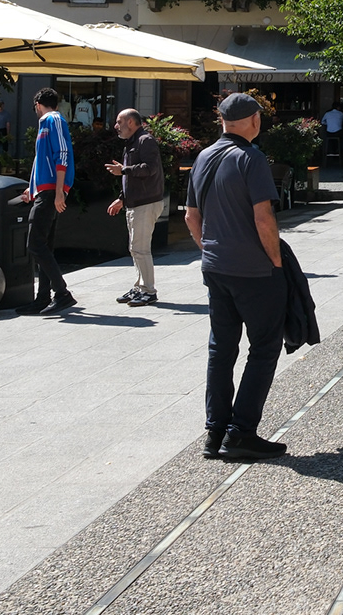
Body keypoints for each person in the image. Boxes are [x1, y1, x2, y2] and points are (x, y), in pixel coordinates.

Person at [185, 92, 290, 462]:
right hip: (253, 269)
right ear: (254, 121)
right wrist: (276, 262)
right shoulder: (251, 158)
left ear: (222, 121)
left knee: (222, 348)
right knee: (264, 346)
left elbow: (190, 216)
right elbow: (264, 217)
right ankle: (241, 432)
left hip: (215, 267)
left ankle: (214, 432)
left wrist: (210, 249)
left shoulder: (203, 157)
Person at [17, 88, 76, 315]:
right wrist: (32, 189)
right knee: (44, 246)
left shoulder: (53, 119)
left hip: (51, 192)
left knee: (35, 244)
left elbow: (62, 154)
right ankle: (43, 298)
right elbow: (42, 161)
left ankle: (62, 293)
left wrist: (59, 191)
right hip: (47, 190)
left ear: (38, 104)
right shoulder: (49, 122)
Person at [104, 108, 166, 306]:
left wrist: (123, 170)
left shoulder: (145, 141)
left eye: (119, 122)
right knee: (135, 248)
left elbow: (150, 168)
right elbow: (130, 179)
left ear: (130, 122)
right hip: (136, 203)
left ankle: (148, 291)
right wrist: (122, 198)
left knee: (141, 249)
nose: (116, 126)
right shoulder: (132, 142)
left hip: (146, 203)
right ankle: (140, 287)